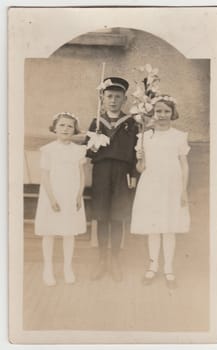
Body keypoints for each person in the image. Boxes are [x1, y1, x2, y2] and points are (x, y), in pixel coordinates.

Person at [130, 95, 191, 288]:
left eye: (166, 111)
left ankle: (169, 268)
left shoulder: (179, 136)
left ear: (173, 113)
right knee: (153, 227)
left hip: (172, 185)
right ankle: (153, 266)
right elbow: (141, 169)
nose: (162, 115)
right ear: (152, 113)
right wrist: (139, 159)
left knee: (169, 227)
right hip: (151, 185)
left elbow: (184, 165)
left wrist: (184, 190)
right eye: (158, 111)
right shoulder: (145, 136)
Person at [86, 77, 138, 282]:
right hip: (101, 171)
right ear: (102, 98)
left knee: (117, 216)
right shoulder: (96, 122)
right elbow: (88, 152)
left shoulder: (132, 122)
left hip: (123, 172)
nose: (113, 100)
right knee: (102, 216)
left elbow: (137, 151)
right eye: (109, 96)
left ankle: (115, 260)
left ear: (124, 99)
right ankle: (102, 260)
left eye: (118, 97)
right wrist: (95, 144)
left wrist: (134, 174)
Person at [35, 112, 87, 286]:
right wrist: (51, 199)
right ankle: (47, 269)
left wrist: (79, 195)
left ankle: (67, 268)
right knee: (49, 232)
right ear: (55, 128)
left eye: (70, 126)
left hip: (71, 194)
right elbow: (45, 176)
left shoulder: (79, 150)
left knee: (68, 232)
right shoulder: (48, 150)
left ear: (74, 130)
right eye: (62, 125)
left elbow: (81, 175)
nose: (66, 129)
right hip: (52, 194)